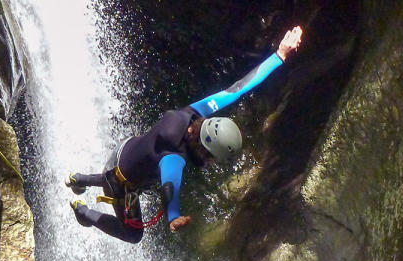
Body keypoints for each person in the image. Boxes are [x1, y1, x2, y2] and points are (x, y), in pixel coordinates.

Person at [66, 26, 304, 243]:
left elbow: (238, 89)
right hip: (118, 180)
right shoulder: (174, 157)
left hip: (125, 148)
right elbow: (170, 186)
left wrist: (279, 55)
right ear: (205, 147)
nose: (210, 162)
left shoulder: (193, 112)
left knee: (140, 173)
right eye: (211, 157)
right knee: (134, 234)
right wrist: (173, 217)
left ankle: (78, 179)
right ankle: (83, 212)